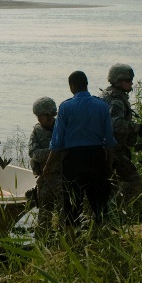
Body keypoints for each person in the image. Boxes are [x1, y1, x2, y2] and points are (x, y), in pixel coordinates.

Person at [43, 71, 117, 229]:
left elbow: (57, 143)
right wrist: (109, 163)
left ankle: (71, 241)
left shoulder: (65, 107)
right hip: (96, 158)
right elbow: (109, 140)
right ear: (87, 84)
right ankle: (102, 237)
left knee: (72, 205)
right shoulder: (102, 106)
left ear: (72, 86)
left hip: (74, 160)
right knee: (100, 204)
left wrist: (47, 167)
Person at [101, 63, 142, 202]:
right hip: (115, 151)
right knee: (135, 183)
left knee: (113, 185)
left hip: (107, 150)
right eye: (128, 81)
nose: (131, 84)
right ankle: (114, 209)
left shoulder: (106, 95)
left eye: (131, 80)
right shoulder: (116, 101)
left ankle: (108, 214)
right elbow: (114, 123)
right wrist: (137, 128)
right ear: (118, 81)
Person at [28, 96, 62, 233]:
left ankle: (64, 242)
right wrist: (54, 151)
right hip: (44, 179)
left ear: (50, 115)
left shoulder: (62, 128)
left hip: (61, 179)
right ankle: (43, 241)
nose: (39, 120)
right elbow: (33, 152)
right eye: (37, 117)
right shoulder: (37, 131)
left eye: (41, 117)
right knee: (44, 215)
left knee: (64, 213)